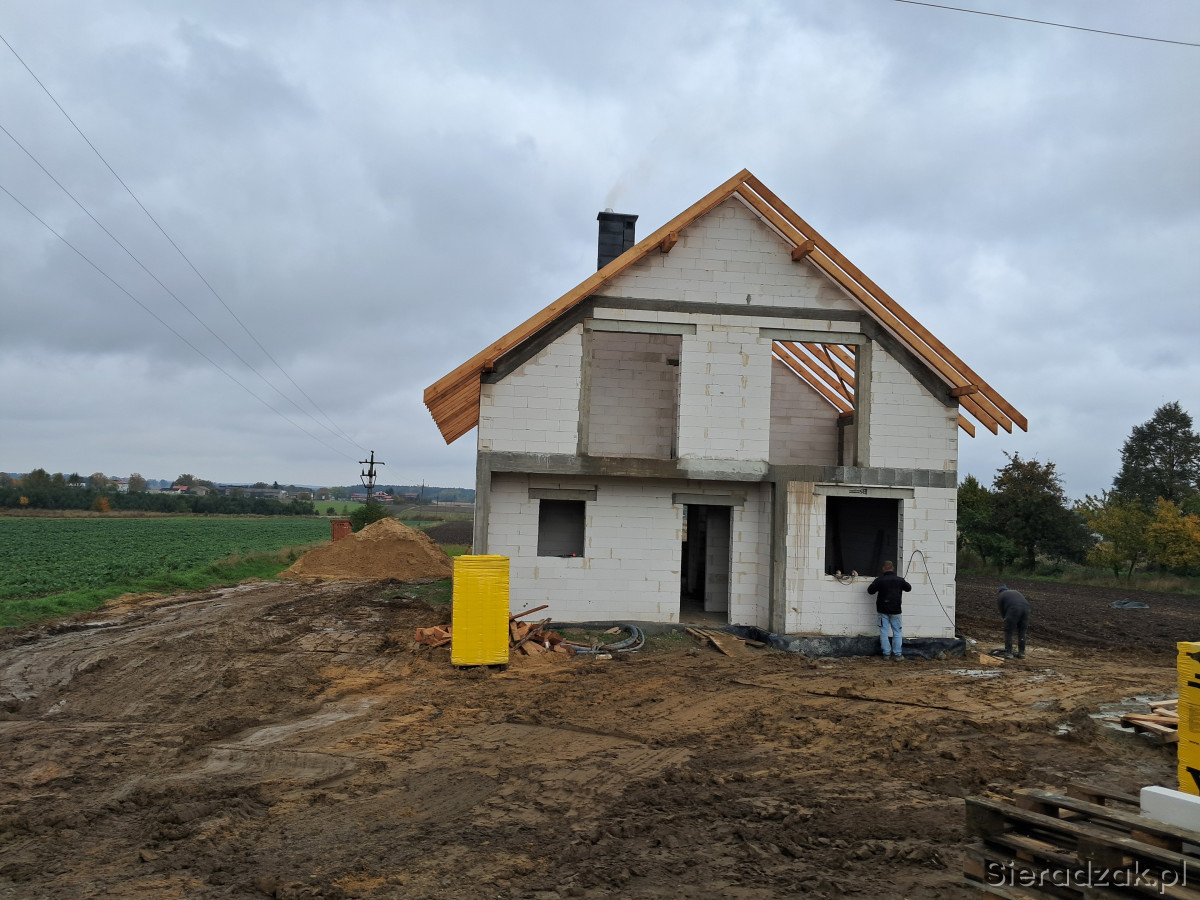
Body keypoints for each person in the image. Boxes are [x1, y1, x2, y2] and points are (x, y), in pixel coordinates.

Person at [867, 560, 911, 660]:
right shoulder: (899, 580)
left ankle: (886, 654)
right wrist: (902, 582)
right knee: (897, 632)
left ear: (883, 569)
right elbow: (908, 588)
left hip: (882, 610)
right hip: (896, 610)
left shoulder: (879, 580)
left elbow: (870, 591)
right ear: (893, 568)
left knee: (884, 632)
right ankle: (897, 654)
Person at [997, 585, 1031, 658]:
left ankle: (1009, 653)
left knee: (1009, 631)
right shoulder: (1015, 592)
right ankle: (1021, 653)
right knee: (1022, 632)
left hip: (1014, 609)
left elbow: (1002, 611)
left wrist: (1007, 620)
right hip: (1026, 609)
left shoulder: (1001, 595)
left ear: (1000, 591)